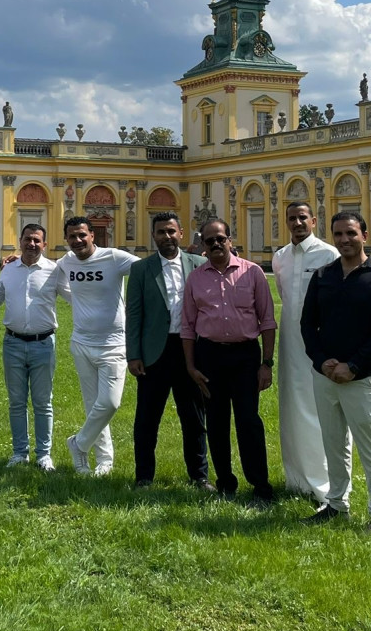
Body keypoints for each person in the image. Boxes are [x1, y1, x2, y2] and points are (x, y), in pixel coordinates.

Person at [300, 212, 371, 533]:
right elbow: (307, 324)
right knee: (333, 445)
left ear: (365, 236)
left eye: (351, 233)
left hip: (363, 378)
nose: (344, 239)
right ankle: (336, 504)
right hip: (326, 376)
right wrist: (321, 361)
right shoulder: (323, 276)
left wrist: (353, 365)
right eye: (339, 234)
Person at [182, 219, 277, 504]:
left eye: (220, 239)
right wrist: (190, 366)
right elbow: (187, 325)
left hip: (245, 356)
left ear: (230, 240)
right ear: (203, 245)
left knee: (249, 421)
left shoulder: (253, 273)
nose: (215, 245)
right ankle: (225, 482)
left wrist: (267, 363)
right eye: (209, 241)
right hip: (209, 355)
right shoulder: (196, 278)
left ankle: (260, 486)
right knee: (217, 421)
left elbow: (268, 321)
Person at [126, 212, 211, 490]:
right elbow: (134, 314)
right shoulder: (142, 269)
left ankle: (199, 476)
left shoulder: (200, 265)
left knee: (194, 417)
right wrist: (133, 354)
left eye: (172, 231)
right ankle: (144, 477)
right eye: (161, 232)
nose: (167, 237)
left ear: (182, 233)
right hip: (153, 353)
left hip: (190, 351)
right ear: (154, 236)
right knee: (147, 419)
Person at [58, 216, 138, 476]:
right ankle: (104, 461)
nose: (78, 240)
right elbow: (45, 271)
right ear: (66, 239)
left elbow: (147, 270)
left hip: (114, 344)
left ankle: (78, 444)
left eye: (82, 235)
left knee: (110, 403)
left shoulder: (114, 258)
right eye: (72, 236)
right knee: (94, 405)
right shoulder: (65, 262)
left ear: (93, 235)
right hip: (81, 343)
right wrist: (14, 260)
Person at [271, 202, 339, 503]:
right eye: (292, 218)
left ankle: (325, 484)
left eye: (303, 218)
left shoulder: (328, 254)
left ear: (313, 220)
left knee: (320, 410)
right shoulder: (280, 258)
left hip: (321, 341)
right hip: (289, 340)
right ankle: (296, 480)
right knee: (291, 407)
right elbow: (285, 298)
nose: (297, 223)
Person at [0, 223, 63, 471]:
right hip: (13, 343)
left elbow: (76, 296)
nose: (32, 244)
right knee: (16, 401)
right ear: (20, 240)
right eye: (28, 239)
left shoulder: (54, 270)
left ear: (44, 244)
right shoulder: (9, 270)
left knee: (42, 402)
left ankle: (43, 454)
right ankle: (19, 453)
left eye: (37, 240)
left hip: (43, 344)